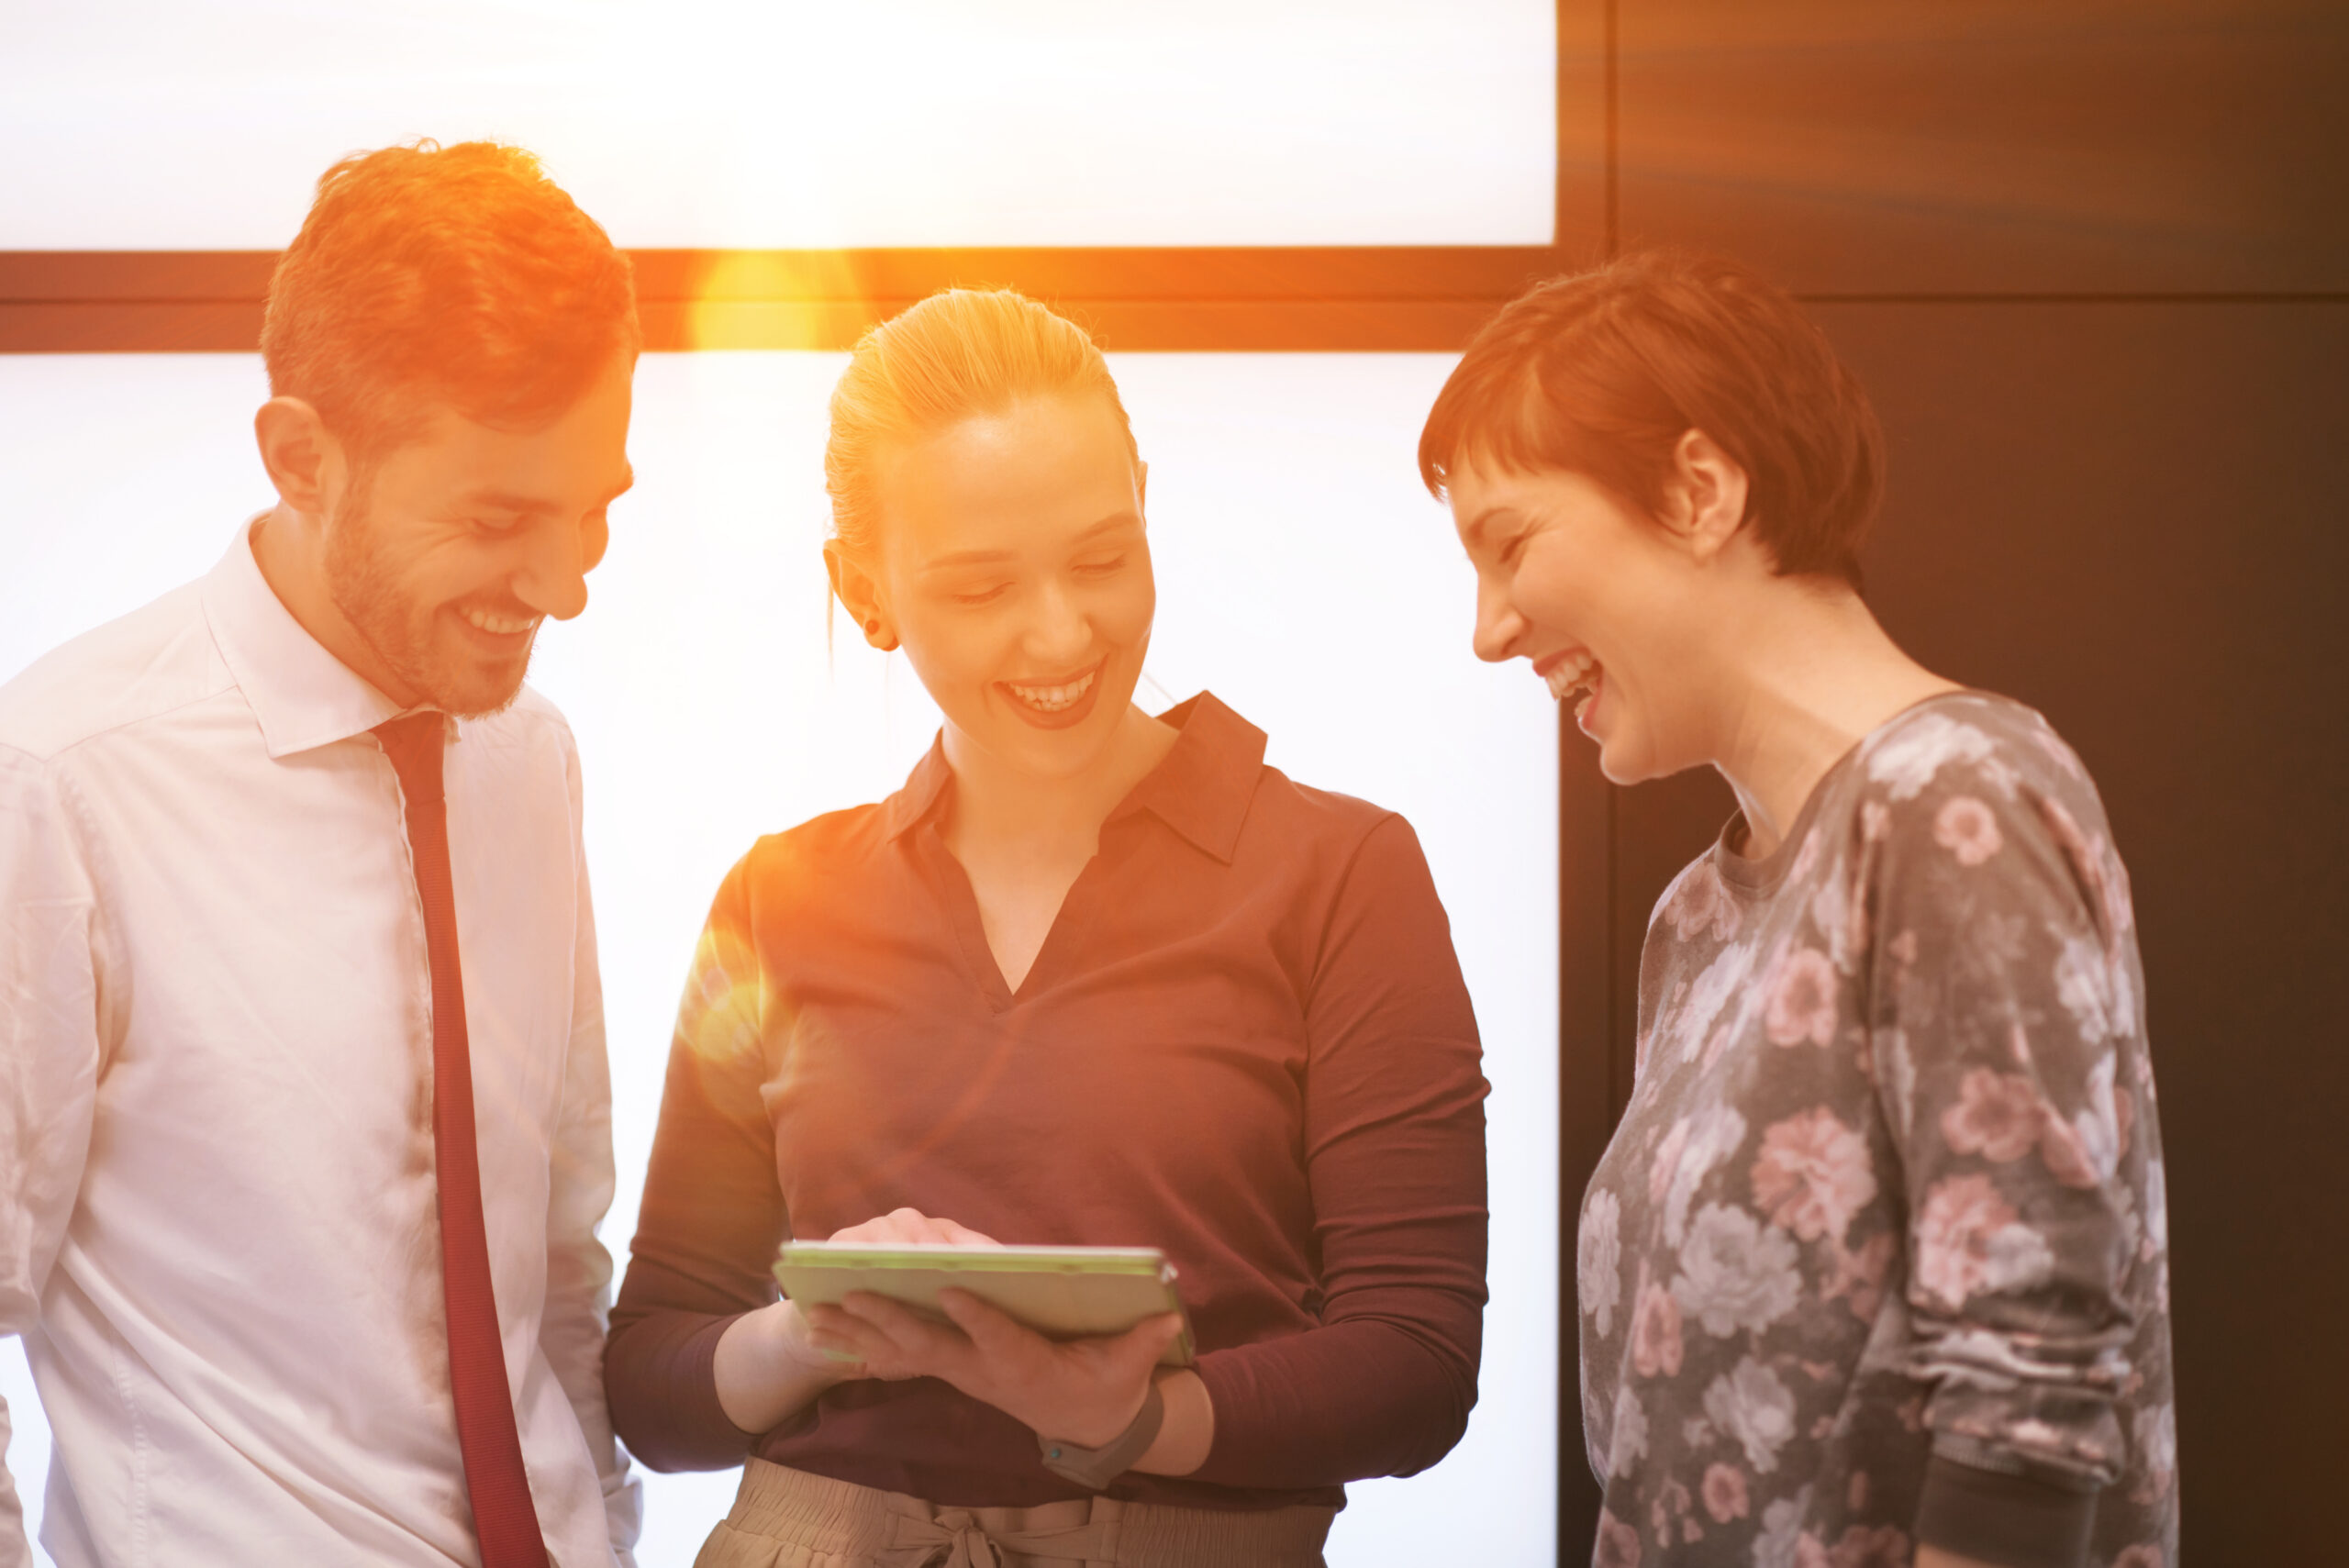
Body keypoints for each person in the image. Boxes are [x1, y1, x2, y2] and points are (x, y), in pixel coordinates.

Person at [604, 288, 1489, 1567]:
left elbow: (1415, 1365)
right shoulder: (775, 896)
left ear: (1145, 503)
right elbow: (652, 1382)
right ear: (865, 589)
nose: (1063, 631)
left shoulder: (1343, 873)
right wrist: (811, 1335)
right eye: (981, 586)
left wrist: (1131, 1418)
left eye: (1102, 559)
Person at [1422, 251, 2176, 1568]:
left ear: (1697, 492)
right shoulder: (1696, 923)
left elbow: (2030, 1389)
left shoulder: (1951, 799)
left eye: (1512, 542)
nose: (1489, 631)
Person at [0, 141, 643, 1566]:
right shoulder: (59, 782)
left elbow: (556, 1260)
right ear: (301, 458)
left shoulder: (529, 759)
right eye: (498, 518)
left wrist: (601, 1521)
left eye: (595, 507)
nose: (565, 586)